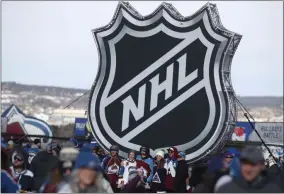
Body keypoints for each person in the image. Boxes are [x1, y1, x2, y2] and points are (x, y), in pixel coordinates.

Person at [216, 146, 282, 193]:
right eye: (245, 163)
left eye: (253, 164)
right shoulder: (225, 188)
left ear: (262, 166)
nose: (248, 168)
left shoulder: (273, 190)